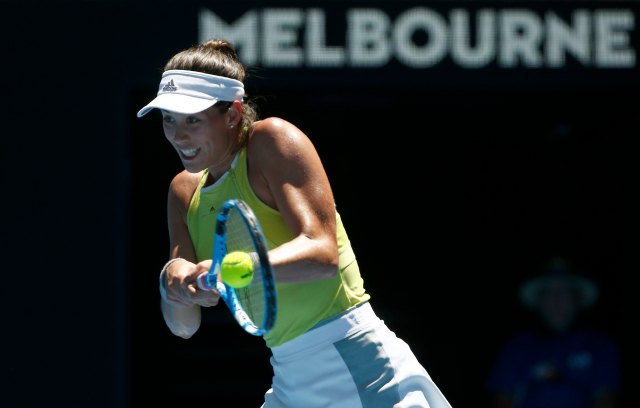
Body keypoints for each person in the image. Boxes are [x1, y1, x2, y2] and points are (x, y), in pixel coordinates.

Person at [136, 38, 452, 408]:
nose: (178, 135)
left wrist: (238, 269)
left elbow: (321, 254)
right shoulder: (183, 191)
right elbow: (184, 326)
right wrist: (171, 281)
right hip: (290, 380)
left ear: (234, 114)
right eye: (169, 119)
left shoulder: (272, 140)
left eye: (193, 120)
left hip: (363, 369)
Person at [485, 257, 622, 408]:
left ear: (578, 299)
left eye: (564, 291)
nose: (556, 299)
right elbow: (502, 398)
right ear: (538, 301)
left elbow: (606, 398)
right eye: (548, 292)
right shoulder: (517, 346)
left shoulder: (600, 345)